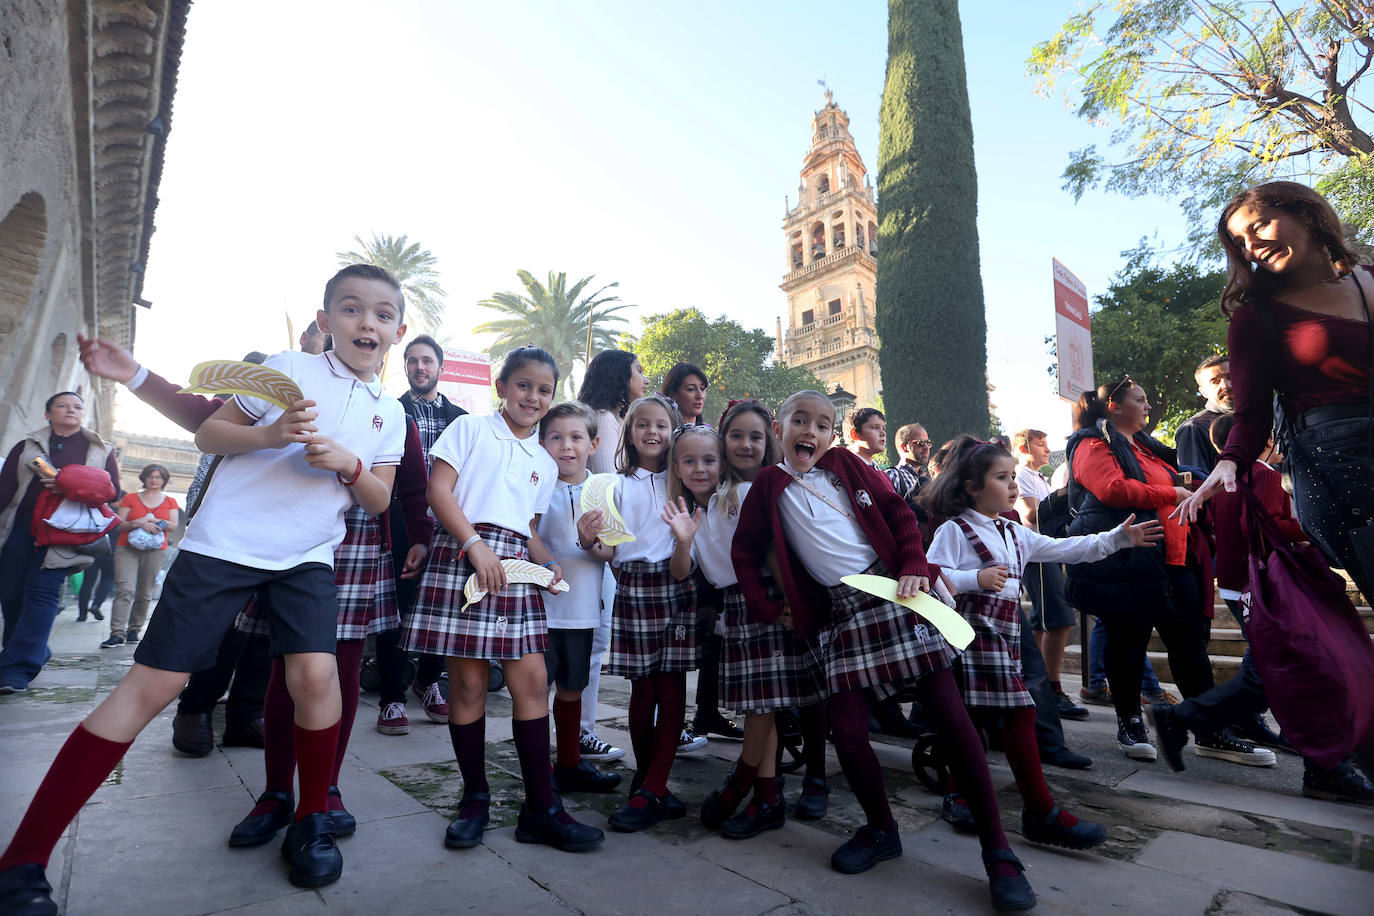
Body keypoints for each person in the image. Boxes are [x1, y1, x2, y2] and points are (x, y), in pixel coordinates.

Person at [0, 263, 409, 908]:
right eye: (352, 309)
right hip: (223, 546)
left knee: (315, 680)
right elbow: (209, 431)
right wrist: (272, 434)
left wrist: (350, 464)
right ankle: (22, 861)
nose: (367, 322)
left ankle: (310, 821)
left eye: (382, 314)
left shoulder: (393, 413)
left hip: (308, 558)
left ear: (398, 330)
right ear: (326, 321)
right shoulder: (286, 371)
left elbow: (381, 498)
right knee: (153, 686)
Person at [732, 391, 1035, 910]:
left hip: (896, 591)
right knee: (847, 732)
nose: (811, 430)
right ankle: (879, 828)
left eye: (823, 424)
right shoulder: (767, 484)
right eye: (800, 421)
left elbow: (899, 514)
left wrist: (915, 561)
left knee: (952, 718)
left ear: (833, 435)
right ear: (780, 428)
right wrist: (766, 606)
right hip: (839, 612)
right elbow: (745, 550)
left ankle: (999, 852)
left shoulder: (847, 466)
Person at [402, 347, 603, 854]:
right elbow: (438, 492)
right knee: (468, 685)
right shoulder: (469, 429)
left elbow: (528, 528)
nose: (533, 397)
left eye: (544, 390)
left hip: (514, 567)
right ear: (502, 386)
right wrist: (475, 547)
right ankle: (474, 799)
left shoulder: (543, 458)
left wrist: (547, 561)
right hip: (463, 554)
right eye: (523, 385)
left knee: (532, 679)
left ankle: (542, 808)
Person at [925, 436, 1160, 850]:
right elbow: (930, 577)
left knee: (979, 720)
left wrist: (1118, 538)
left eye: (1013, 476)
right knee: (1011, 716)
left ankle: (962, 794)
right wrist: (972, 579)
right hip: (970, 639)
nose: (1014, 485)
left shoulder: (1014, 532)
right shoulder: (954, 531)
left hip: (1006, 637)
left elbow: (1067, 548)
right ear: (971, 486)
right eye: (1002, 477)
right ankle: (1038, 810)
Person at [1153, 415, 1372, 799]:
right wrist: (1308, 527)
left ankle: (1325, 768)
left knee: (1283, 673)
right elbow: (1271, 526)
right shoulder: (1266, 476)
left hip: (1243, 585)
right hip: (1273, 588)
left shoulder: (1218, 482)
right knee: (1272, 676)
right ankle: (1183, 719)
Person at [1176, 180, 1374, 604]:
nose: (1252, 246)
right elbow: (1251, 415)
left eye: (1260, 225)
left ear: (1306, 213)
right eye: (1240, 242)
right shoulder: (1255, 317)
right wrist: (1228, 463)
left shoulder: (1369, 278)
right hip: (1343, 468)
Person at [77, 343, 275, 754]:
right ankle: (194, 712)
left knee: (262, 639)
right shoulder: (226, 416)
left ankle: (245, 717)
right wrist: (134, 374)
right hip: (222, 546)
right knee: (218, 634)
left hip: (283, 549)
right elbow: (194, 415)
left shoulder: (310, 415)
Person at [1065, 378, 1268, 765]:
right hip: (1134, 560)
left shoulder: (1148, 447)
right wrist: (1172, 493)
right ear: (1113, 406)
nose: (1147, 405)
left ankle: (1210, 729)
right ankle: (1130, 722)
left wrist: (1182, 486)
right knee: (1127, 644)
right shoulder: (1091, 444)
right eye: (1139, 399)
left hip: (1178, 560)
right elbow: (1113, 490)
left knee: (1191, 648)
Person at [699, 399, 830, 836]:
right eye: (735, 435)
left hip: (769, 601)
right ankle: (768, 793)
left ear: (770, 440)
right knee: (762, 705)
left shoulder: (770, 489)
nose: (745, 444)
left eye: (756, 436)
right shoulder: (723, 493)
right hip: (739, 604)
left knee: (762, 706)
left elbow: (774, 551)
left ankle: (744, 781)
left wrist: (782, 605)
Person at [601, 395, 702, 832]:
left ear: (673, 430)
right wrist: (593, 543)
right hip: (633, 587)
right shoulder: (616, 485)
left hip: (676, 585)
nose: (652, 432)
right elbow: (610, 547)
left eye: (662, 425)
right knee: (642, 691)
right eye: (642, 424)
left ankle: (652, 786)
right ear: (629, 432)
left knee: (673, 687)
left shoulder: (682, 484)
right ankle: (649, 783)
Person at [374, 333, 467, 736]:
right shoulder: (390, 412)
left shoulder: (463, 420)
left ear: (440, 368)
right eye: (412, 361)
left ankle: (428, 682)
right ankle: (392, 698)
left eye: (427, 361)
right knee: (395, 607)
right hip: (400, 522)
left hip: (450, 524)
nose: (419, 367)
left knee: (444, 608)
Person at [0, 392, 121, 694]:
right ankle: (32, 651)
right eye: (63, 406)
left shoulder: (100, 449)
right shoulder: (26, 446)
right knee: (11, 594)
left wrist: (74, 483)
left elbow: (113, 492)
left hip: (64, 532)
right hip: (20, 529)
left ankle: (17, 670)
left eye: (77, 407)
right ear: (48, 413)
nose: (71, 410)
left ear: (84, 414)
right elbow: (5, 489)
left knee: (41, 594)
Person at [533, 401, 622, 795]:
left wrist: (591, 542)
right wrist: (548, 562)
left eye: (575, 437)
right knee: (535, 692)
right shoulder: (536, 487)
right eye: (556, 437)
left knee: (572, 689)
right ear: (542, 442)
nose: (566, 446)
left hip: (583, 612)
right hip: (537, 611)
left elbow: (611, 553)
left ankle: (568, 764)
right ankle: (538, 772)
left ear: (593, 443)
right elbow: (525, 533)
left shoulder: (603, 491)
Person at [574, 349, 651, 762]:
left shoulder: (613, 420)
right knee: (593, 644)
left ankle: (581, 730)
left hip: (607, 552)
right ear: (619, 376)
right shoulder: (605, 420)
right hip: (603, 553)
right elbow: (608, 491)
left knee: (595, 645)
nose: (644, 376)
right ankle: (581, 732)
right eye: (638, 370)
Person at [1011, 429, 1087, 721]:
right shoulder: (1022, 474)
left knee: (1045, 622)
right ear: (1023, 447)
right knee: (1058, 618)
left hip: (1049, 550)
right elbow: (1030, 516)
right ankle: (1051, 690)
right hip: (1037, 555)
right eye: (1040, 443)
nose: (1046, 448)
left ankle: (1037, 684)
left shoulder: (1039, 477)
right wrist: (1062, 498)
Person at [101, 464, 180, 648]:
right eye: (150, 476)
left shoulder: (170, 502)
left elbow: (173, 525)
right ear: (144, 478)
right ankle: (117, 633)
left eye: (158, 477)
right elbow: (120, 524)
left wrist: (151, 520)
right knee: (124, 589)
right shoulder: (130, 498)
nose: (154, 480)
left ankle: (134, 630)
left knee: (144, 592)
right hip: (126, 548)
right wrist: (138, 523)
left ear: (164, 480)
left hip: (154, 550)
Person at [1175, 355, 1232, 473]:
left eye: (1230, 377)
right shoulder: (1193, 429)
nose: (1226, 386)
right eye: (1214, 381)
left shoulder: (1258, 419)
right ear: (1203, 392)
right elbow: (1196, 483)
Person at [884, 422, 931, 509]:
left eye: (928, 442)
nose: (926, 447)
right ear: (904, 447)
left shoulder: (927, 477)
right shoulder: (893, 475)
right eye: (920, 442)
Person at [75, 529, 114, 622]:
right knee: (108, 579)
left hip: (92, 548)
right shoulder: (115, 515)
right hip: (110, 549)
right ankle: (96, 605)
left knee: (88, 581)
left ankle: (82, 614)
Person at [660, 362, 709, 426]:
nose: (700, 396)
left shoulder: (709, 432)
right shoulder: (662, 433)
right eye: (691, 389)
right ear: (672, 394)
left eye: (702, 388)